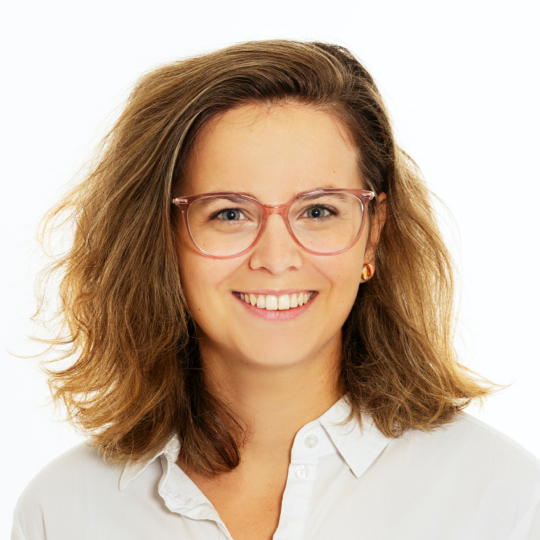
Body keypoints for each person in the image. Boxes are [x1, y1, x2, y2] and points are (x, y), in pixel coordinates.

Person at [11, 40, 540, 540]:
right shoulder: (63, 510)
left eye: (318, 211)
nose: (276, 257)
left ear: (373, 234)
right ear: (161, 240)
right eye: (230, 213)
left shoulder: (502, 501)